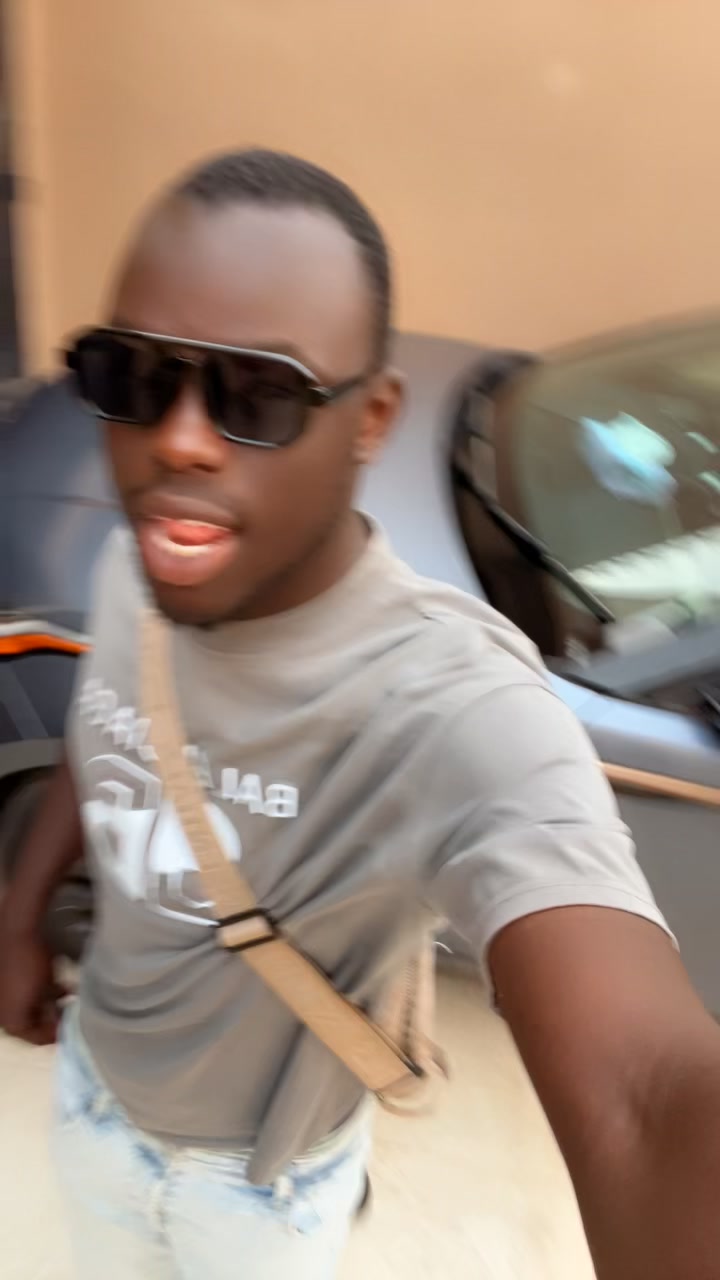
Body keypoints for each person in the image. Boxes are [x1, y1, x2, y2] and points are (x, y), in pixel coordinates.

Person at [0, 150, 718, 1280]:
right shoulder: (139, 561)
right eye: (131, 375)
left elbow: (643, 1095)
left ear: (372, 416)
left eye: (256, 394)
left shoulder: (449, 698)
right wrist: (21, 911)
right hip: (96, 1103)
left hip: (262, 1191)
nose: (178, 440)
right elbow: (110, 733)